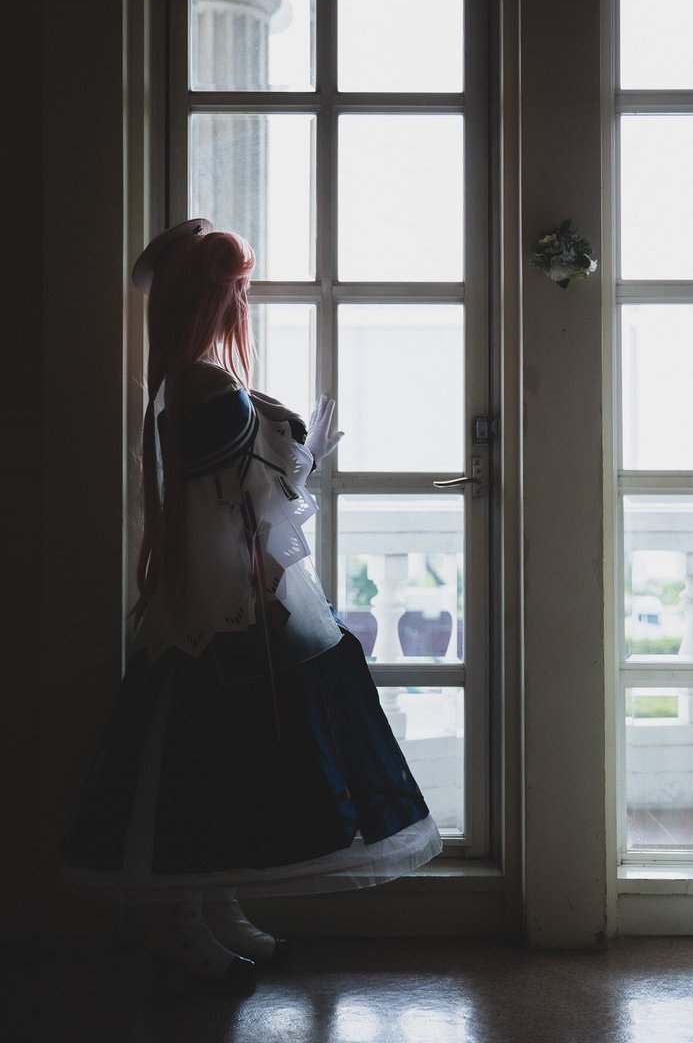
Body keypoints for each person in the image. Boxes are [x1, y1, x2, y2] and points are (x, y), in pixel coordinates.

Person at [63, 219, 442, 988]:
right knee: (208, 759)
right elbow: (246, 496)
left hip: (227, 590)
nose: (243, 301)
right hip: (222, 601)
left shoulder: (193, 383)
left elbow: (244, 494)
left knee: (228, 756)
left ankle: (217, 901)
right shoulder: (201, 386)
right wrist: (295, 461)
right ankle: (179, 918)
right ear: (209, 300)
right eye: (232, 291)